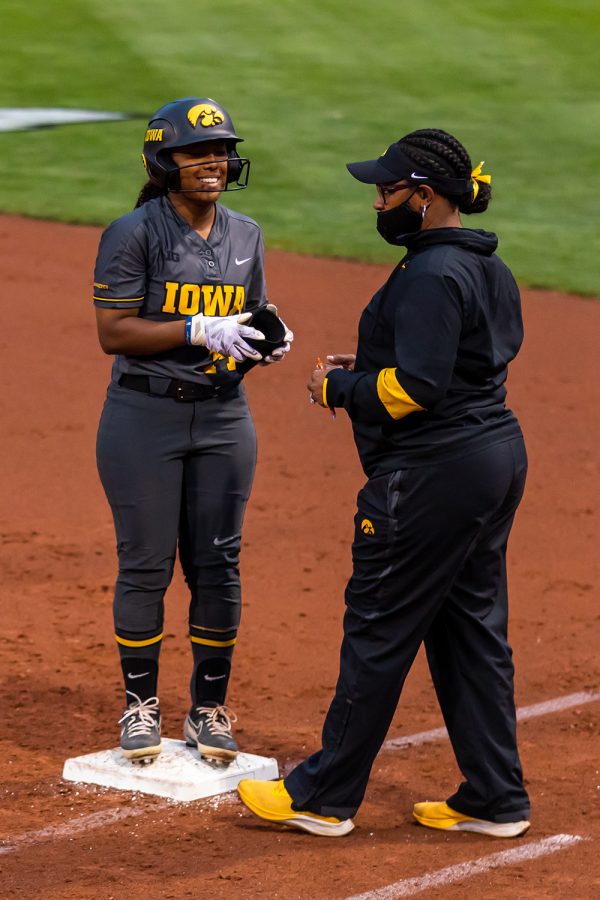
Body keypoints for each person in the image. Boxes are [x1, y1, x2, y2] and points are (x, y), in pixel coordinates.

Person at [237, 128, 530, 837]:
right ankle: (495, 796)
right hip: (491, 457)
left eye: (388, 190)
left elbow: (421, 389)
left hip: (433, 473)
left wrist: (339, 388)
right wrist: (369, 364)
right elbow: (464, 364)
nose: (378, 201)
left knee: (379, 626)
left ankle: (322, 795)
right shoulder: (484, 264)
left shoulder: (430, 273)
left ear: (425, 197)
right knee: (470, 631)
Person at [94, 97, 292, 764]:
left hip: (224, 416)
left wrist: (266, 337)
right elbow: (113, 331)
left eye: (222, 150)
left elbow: (252, 313)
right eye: (197, 153)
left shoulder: (247, 234)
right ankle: (140, 707)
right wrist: (197, 328)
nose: (215, 162)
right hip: (144, 417)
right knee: (147, 563)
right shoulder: (133, 232)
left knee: (218, 563)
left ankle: (208, 708)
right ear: (163, 160)